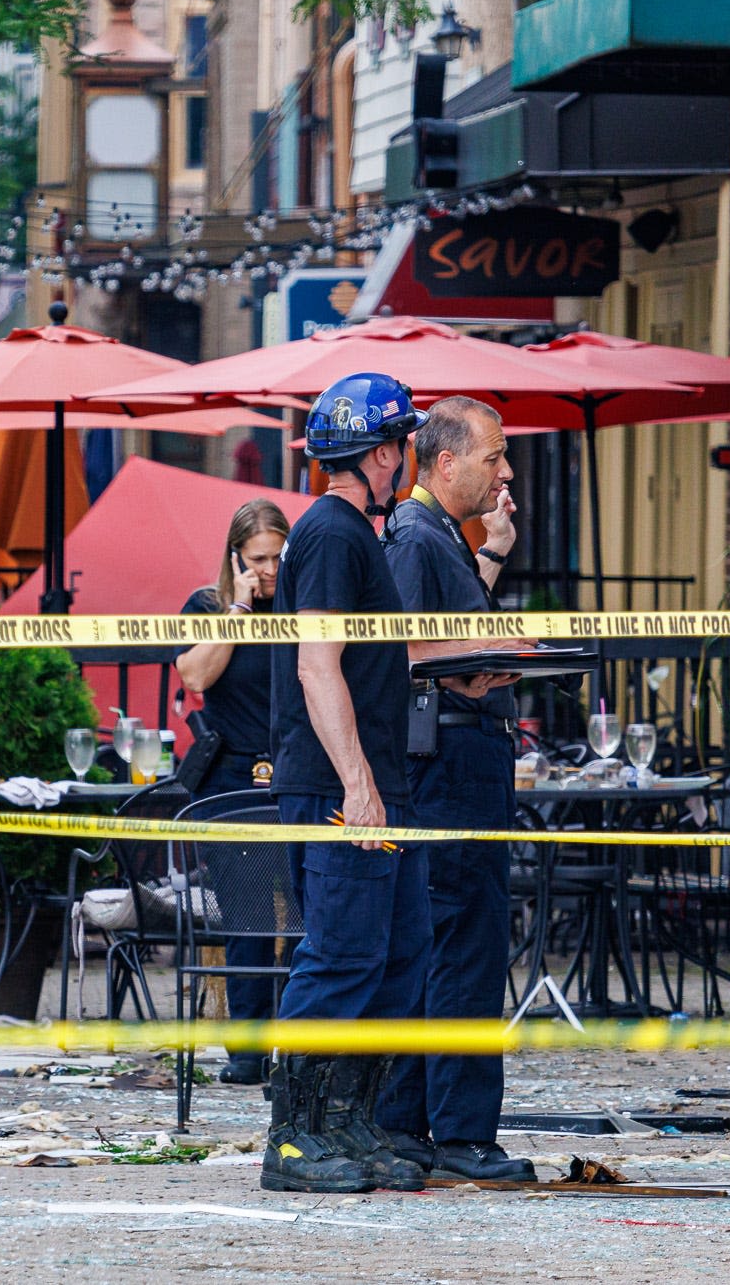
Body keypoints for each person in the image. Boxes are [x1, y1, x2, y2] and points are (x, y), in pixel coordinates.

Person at [259, 372, 431, 1195]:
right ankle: (293, 1139)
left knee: (394, 955)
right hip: (341, 788)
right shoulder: (330, 532)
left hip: (379, 784)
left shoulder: (354, 530)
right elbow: (316, 664)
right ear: (382, 452)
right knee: (338, 957)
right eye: (404, 447)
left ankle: (347, 1122)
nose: (409, 462)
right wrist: (357, 786)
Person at [375, 394, 535, 1183]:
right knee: (462, 947)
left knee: (447, 941)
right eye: (493, 455)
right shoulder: (413, 535)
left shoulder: (436, 536)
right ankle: (460, 1133)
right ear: (445, 463)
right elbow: (404, 647)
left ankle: (414, 1124)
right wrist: (487, 664)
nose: (504, 469)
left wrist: (495, 558)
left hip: (461, 760)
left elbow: (441, 620)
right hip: (448, 764)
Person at [173, 498, 290, 1085]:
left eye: (278, 557)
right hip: (231, 779)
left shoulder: (303, 607)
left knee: (304, 916)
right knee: (247, 923)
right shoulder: (209, 605)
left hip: (296, 774)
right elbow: (194, 677)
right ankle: (247, 1053)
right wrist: (240, 608)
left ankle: (295, 1048)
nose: (270, 570)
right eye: (258, 559)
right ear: (236, 558)